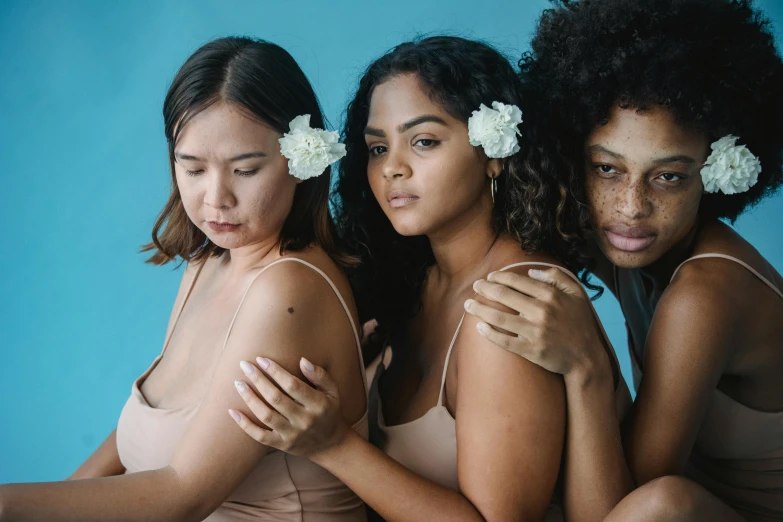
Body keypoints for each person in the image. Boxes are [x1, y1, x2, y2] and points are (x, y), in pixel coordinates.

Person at [229, 36, 630, 522]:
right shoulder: (415, 281)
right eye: (378, 147)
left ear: (495, 152)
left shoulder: (510, 308)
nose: (392, 169)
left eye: (424, 142)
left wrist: (333, 445)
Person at [0, 37, 368, 522]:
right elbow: (156, 426)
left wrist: (8, 503)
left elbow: (184, 494)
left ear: (300, 163)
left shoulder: (289, 291)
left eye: (245, 169)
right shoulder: (209, 263)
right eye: (192, 168)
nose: (216, 197)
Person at [465, 1, 783, 520]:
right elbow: (488, 232)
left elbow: (619, 512)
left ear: (718, 171)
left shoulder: (705, 294)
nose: (632, 207)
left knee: (662, 503)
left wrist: (587, 365)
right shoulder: (625, 241)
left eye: (670, 176)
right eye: (607, 169)